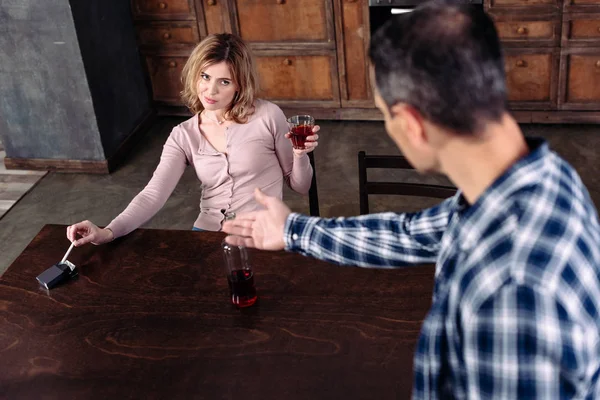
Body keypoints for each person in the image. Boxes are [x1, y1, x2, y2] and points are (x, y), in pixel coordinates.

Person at [223, 4, 600, 399]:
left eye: (385, 116)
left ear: (412, 125)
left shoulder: (510, 294)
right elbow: (414, 233)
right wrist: (293, 230)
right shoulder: (537, 175)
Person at [66, 33, 318, 246]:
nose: (211, 90)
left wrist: (299, 155)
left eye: (225, 82)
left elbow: (301, 185)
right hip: (207, 235)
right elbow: (153, 194)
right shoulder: (183, 134)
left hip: (261, 234)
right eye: (205, 77)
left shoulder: (268, 116)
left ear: (240, 85)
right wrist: (108, 232)